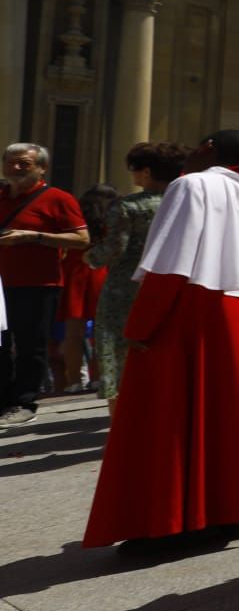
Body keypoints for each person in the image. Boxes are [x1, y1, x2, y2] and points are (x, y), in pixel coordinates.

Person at [83, 130, 239, 549]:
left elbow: (170, 263)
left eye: (199, 143)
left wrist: (141, 326)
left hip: (194, 309)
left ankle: (171, 520)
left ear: (211, 150)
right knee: (230, 417)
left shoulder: (190, 185)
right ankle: (229, 509)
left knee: (173, 418)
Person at [89, 142, 188, 419]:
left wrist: (90, 257)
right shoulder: (183, 202)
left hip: (125, 285)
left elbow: (114, 249)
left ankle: (121, 421)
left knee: (116, 350)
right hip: (171, 281)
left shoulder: (128, 206)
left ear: (146, 172)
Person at [0, 143, 90, 427]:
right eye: (10, 162)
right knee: (0, 345)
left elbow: (82, 240)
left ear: (41, 168)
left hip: (37, 283)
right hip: (0, 284)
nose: (15, 168)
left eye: (24, 163)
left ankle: (24, 401)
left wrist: (34, 236)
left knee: (30, 345)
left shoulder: (58, 198)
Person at [57, 186, 117, 393]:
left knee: (73, 331)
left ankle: (73, 381)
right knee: (101, 331)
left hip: (74, 272)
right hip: (100, 271)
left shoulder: (77, 217)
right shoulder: (111, 219)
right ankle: (98, 377)